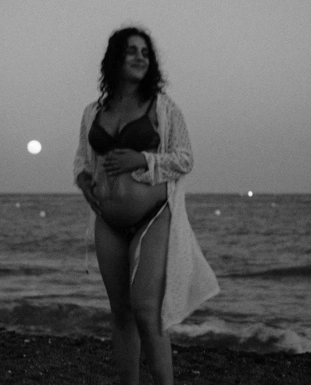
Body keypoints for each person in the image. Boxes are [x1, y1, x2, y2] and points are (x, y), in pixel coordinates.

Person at [74, 26, 219, 384]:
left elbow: (185, 158)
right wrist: (84, 183)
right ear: (114, 58)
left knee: (145, 310)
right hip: (107, 221)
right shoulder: (94, 111)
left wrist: (142, 160)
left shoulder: (163, 108)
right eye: (131, 51)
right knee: (121, 314)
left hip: (153, 216)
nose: (140, 57)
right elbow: (82, 159)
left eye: (145, 52)